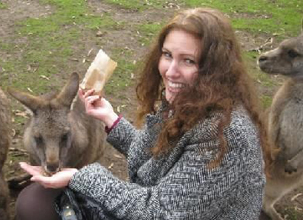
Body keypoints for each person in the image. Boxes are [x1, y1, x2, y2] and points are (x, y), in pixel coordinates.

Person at [16, 7, 271, 220]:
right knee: (35, 199)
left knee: (36, 204)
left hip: (162, 210)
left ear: (214, 68)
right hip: (159, 202)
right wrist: (111, 120)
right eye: (168, 55)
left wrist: (80, 176)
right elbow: (155, 156)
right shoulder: (189, 101)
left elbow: (161, 212)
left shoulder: (224, 134)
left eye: (188, 61)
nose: (171, 71)